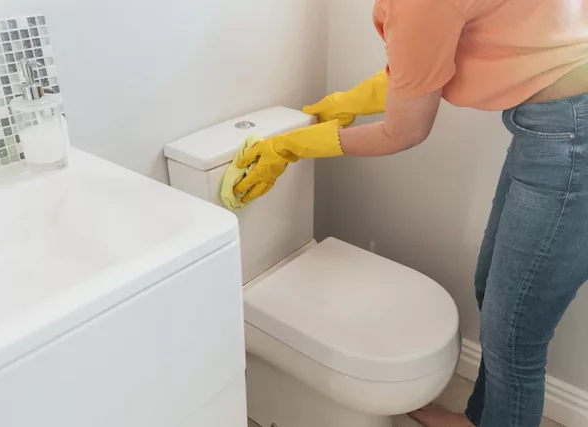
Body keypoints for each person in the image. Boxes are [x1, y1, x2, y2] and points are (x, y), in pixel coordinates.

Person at [233, 0, 588, 426]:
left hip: (569, 135)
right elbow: (430, 60)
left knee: (514, 338)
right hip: (552, 125)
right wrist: (351, 101)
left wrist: (293, 147)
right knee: (492, 292)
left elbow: (404, 130)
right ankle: (482, 420)